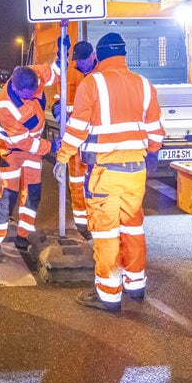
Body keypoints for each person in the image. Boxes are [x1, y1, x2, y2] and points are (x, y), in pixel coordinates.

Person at [54, 32, 165, 313]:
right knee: (133, 227)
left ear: (99, 56)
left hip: (105, 171)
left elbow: (78, 128)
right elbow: (156, 131)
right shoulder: (144, 84)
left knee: (105, 233)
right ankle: (136, 284)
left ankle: (108, 294)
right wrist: (151, 152)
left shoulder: (92, 83)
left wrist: (62, 156)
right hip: (136, 172)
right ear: (124, 54)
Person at [0, 46, 62, 262]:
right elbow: (22, 142)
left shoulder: (32, 75)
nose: (35, 95)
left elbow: (54, 72)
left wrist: (61, 56)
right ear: (16, 89)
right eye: (29, 94)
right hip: (12, 152)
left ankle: (22, 237)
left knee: (33, 193)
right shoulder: (4, 107)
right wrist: (51, 147)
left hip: (32, 150)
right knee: (8, 197)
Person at [51, 39, 98, 240]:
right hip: (75, 139)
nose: (80, 65)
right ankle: (82, 225)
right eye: (77, 61)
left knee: (97, 184)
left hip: (97, 140)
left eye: (83, 61)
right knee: (76, 182)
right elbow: (57, 100)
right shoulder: (69, 72)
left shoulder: (100, 76)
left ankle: (98, 220)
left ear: (93, 56)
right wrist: (59, 112)